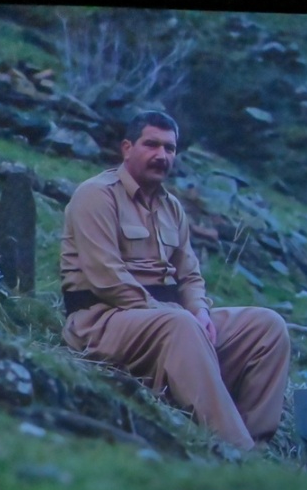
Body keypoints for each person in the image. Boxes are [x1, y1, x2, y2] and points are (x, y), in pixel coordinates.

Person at [59, 111, 290, 454]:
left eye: (169, 148)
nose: (161, 155)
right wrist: (170, 312)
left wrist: (201, 312)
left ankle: (256, 447)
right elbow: (107, 278)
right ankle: (235, 448)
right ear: (127, 148)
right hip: (103, 321)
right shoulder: (96, 196)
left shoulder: (173, 209)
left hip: (170, 320)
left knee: (267, 326)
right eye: (151, 145)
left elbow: (190, 275)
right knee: (180, 324)